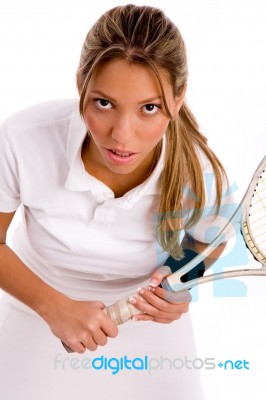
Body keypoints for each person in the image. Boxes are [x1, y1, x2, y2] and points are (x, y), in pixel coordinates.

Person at [0, 4, 234, 400]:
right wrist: (53, 306)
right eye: (104, 103)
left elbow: (210, 240)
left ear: (177, 100)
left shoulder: (201, 171)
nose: (122, 136)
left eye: (149, 108)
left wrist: (181, 281)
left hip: (144, 323)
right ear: (80, 86)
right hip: (34, 306)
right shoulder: (24, 137)